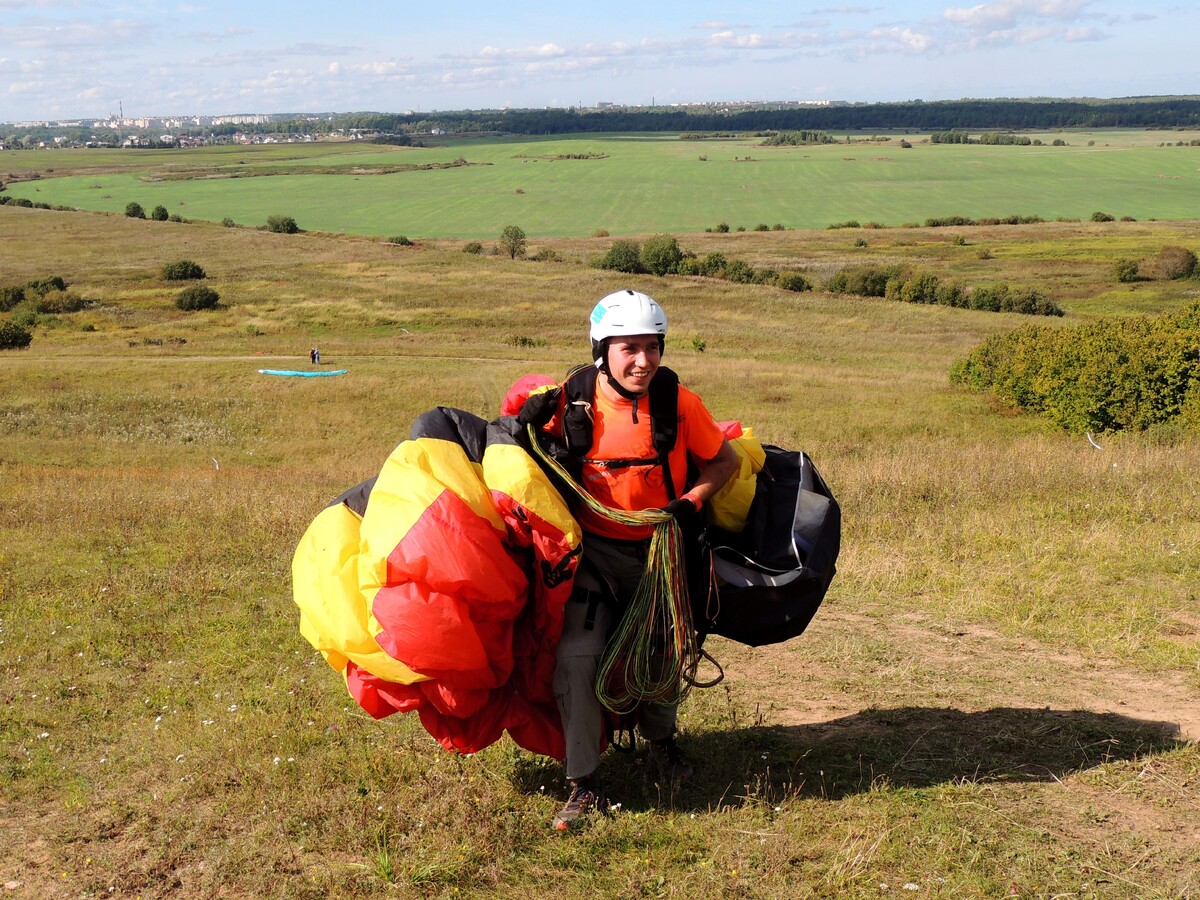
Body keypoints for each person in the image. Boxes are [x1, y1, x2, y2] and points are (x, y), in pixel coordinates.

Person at [519, 289, 738, 831]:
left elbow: (724, 460)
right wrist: (520, 428)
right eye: (630, 349)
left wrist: (689, 503)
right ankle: (582, 782)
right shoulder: (573, 402)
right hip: (593, 557)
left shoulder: (677, 401)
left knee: (662, 657)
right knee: (576, 660)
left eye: (653, 347)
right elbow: (520, 468)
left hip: (659, 556)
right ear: (602, 351)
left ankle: (661, 744)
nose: (644, 361)